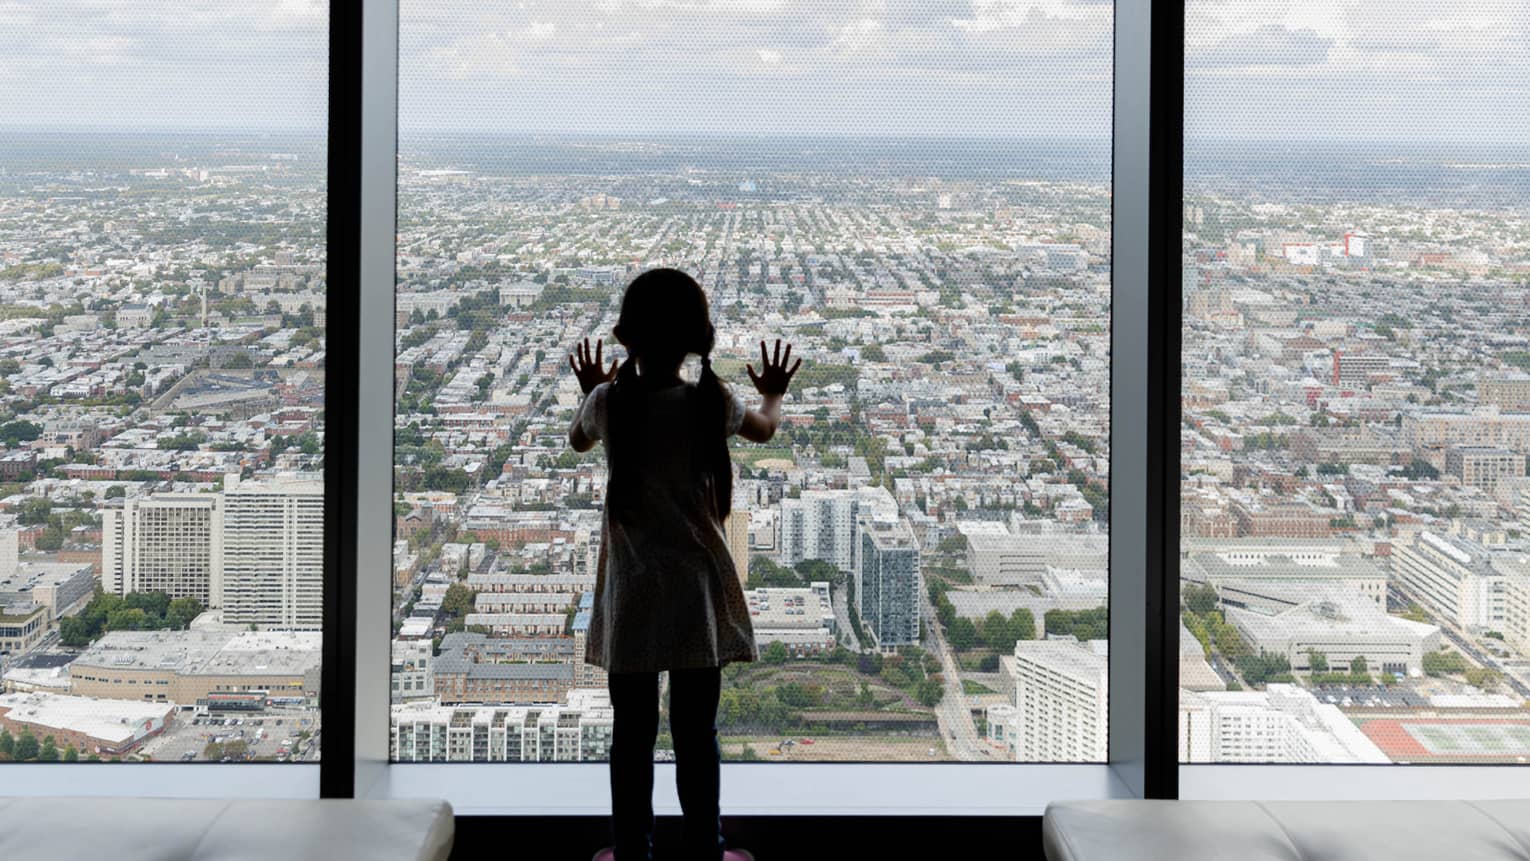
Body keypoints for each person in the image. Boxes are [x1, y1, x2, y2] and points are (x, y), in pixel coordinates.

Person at [569, 267, 801, 861]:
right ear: (699, 338)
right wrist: (773, 390)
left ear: (624, 336)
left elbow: (580, 439)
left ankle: (633, 851)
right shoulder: (710, 401)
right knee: (697, 737)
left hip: (635, 593)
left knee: (633, 738)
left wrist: (594, 388)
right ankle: (705, 850)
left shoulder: (608, 403)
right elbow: (766, 429)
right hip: (697, 591)